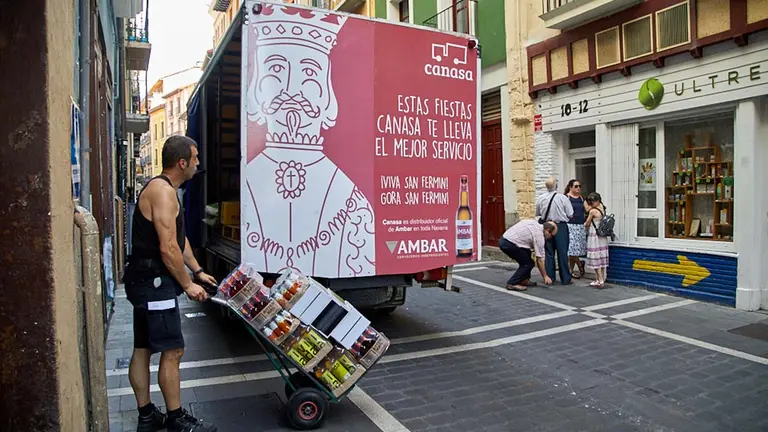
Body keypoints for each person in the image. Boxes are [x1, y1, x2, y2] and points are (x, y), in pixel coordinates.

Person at [244, 4, 375, 277]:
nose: (292, 90)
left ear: (327, 95)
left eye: (308, 73)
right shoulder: (245, 184)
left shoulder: (355, 205)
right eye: (276, 69)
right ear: (256, 88)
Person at [123, 135, 218, 432]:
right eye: (195, 158)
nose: (198, 163)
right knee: (173, 350)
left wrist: (198, 269)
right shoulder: (163, 193)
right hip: (153, 282)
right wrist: (188, 284)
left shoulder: (165, 190)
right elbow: (168, 249)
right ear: (182, 162)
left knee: (143, 348)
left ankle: (147, 416)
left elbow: (180, 240)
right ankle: (176, 419)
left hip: (143, 279)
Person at [535, 177, 574, 285]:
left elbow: (537, 213)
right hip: (560, 226)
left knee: (549, 252)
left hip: (546, 225)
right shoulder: (563, 198)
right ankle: (565, 278)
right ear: (556, 185)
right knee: (562, 252)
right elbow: (570, 213)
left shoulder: (541, 198)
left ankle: (550, 277)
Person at [498, 220, 556, 291]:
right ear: (548, 230)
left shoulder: (534, 222)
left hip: (505, 239)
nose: (550, 238)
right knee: (527, 264)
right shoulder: (539, 237)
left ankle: (524, 280)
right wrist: (545, 276)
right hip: (509, 244)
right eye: (552, 236)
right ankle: (512, 283)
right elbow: (540, 260)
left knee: (528, 255)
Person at [585, 192, 610, 288]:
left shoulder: (593, 211)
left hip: (594, 236)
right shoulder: (603, 207)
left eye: (592, 202)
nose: (591, 204)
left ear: (596, 201)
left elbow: (587, 224)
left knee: (596, 258)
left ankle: (599, 280)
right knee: (602, 257)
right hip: (602, 236)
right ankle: (601, 278)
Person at [565, 179, 587, 279]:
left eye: (579, 186)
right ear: (570, 187)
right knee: (571, 250)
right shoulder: (566, 197)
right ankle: (579, 264)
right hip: (570, 225)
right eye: (576, 186)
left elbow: (587, 209)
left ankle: (570, 271)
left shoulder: (581, 198)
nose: (578, 188)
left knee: (575, 250)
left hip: (580, 226)